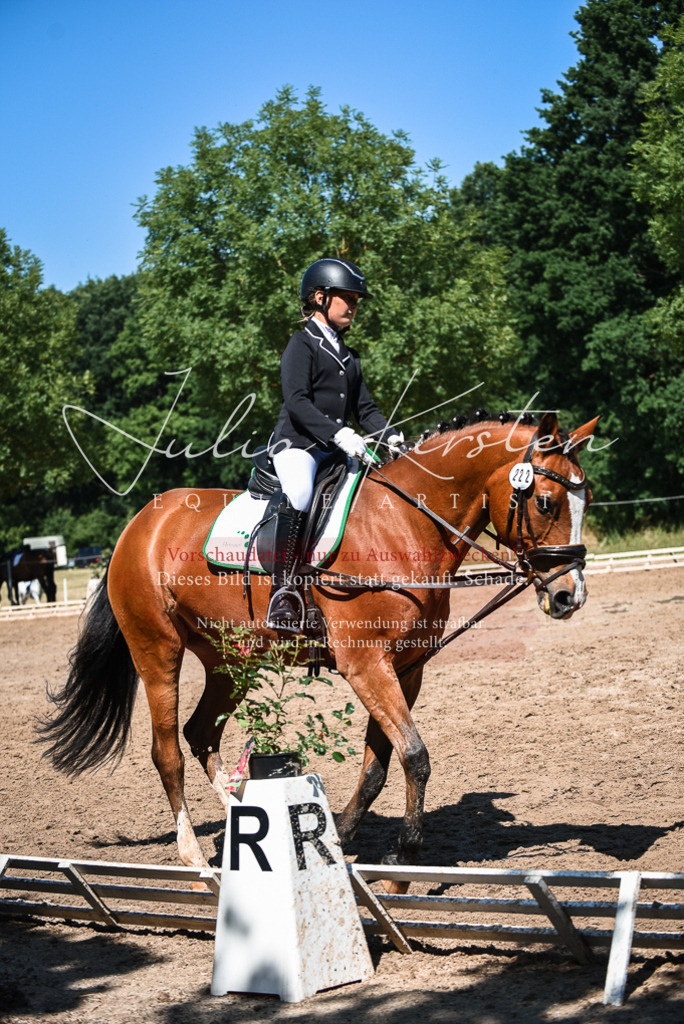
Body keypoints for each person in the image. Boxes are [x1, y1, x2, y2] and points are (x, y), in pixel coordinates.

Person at [265, 257, 403, 631]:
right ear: (321, 297)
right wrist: (338, 433)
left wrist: (390, 434)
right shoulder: (301, 344)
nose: (354, 307)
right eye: (348, 299)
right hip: (297, 446)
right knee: (298, 494)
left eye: (357, 301)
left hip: (337, 449)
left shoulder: (348, 355)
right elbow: (296, 401)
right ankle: (284, 592)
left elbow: (366, 409)